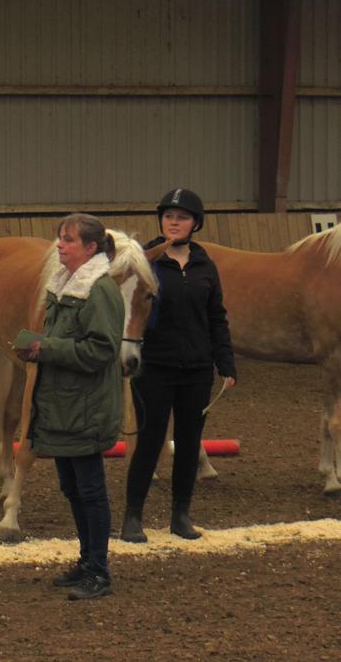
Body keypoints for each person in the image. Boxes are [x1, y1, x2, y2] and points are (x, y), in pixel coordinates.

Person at [17, 214, 124, 601]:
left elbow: (102, 350)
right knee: (74, 488)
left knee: (90, 490)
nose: (59, 245)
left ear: (91, 247)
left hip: (84, 408)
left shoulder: (98, 290)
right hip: (66, 406)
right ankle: (87, 561)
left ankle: (98, 570)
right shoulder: (66, 286)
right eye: (59, 238)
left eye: (68, 240)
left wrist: (46, 347)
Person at [121, 188, 236, 543]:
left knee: (189, 443)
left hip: (197, 370)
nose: (174, 222)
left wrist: (225, 362)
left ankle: (181, 515)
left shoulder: (205, 265)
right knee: (150, 441)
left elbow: (216, 317)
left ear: (195, 224)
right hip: (154, 367)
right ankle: (133, 516)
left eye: (182, 217)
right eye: (169, 216)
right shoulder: (145, 261)